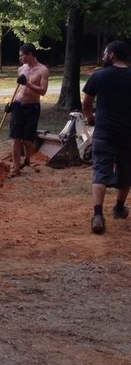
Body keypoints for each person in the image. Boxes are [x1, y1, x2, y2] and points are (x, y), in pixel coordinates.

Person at [81, 40, 131, 234]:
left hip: (104, 134)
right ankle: (119, 207)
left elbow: (86, 104)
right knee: (126, 172)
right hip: (128, 134)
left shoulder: (99, 75)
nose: (103, 57)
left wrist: (91, 118)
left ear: (112, 55)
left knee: (101, 171)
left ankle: (98, 215)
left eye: (104, 54)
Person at [6, 43, 49, 176]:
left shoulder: (43, 70)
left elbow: (43, 91)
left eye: (22, 56)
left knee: (28, 140)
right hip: (18, 105)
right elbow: (19, 89)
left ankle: (28, 160)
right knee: (15, 137)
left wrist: (28, 84)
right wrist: (11, 104)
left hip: (32, 107)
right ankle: (16, 167)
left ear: (30, 54)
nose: (20, 59)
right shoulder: (21, 69)